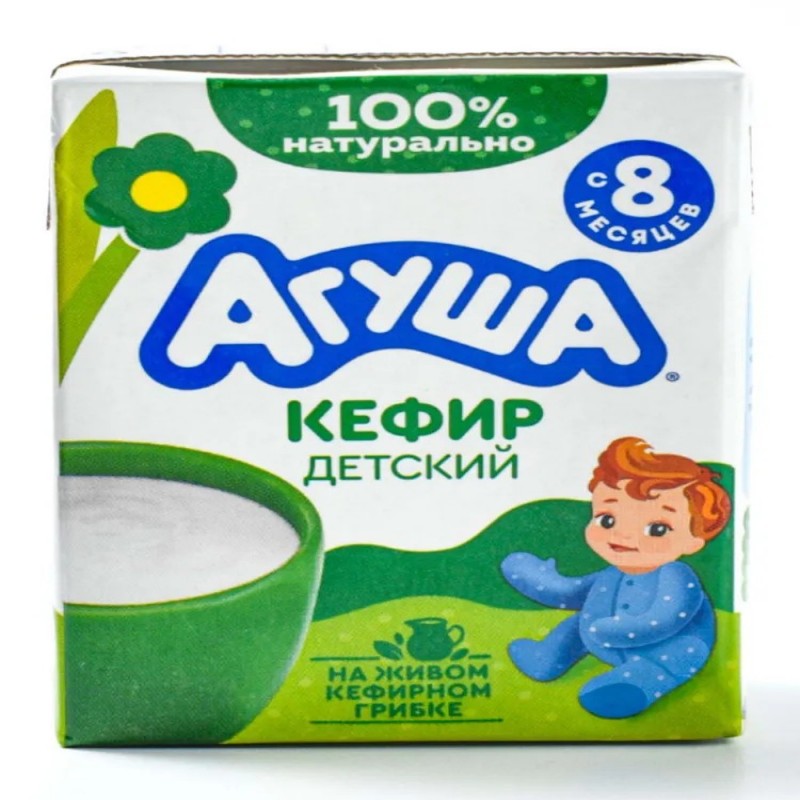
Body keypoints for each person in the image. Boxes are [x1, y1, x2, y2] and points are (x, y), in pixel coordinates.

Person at [501, 436, 731, 719]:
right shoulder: (612, 574)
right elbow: (573, 592)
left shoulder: (676, 575)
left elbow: (669, 615)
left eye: (657, 529)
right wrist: (534, 577)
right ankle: (545, 658)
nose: (622, 535)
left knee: (679, 656)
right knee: (576, 625)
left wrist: (625, 629)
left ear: (694, 541)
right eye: (607, 520)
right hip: (599, 638)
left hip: (665, 646)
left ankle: (633, 685)